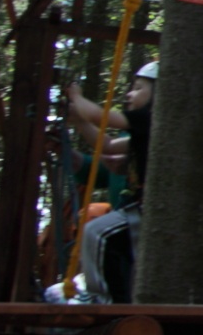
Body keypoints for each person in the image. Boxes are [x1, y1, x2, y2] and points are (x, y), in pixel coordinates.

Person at [57, 60, 153, 305]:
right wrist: (79, 121)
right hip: (138, 204)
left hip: (147, 207)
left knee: (97, 233)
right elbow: (108, 144)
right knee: (102, 238)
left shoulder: (152, 117)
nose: (130, 94)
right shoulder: (149, 130)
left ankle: (103, 300)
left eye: (139, 87)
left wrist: (76, 96)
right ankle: (112, 299)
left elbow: (100, 116)